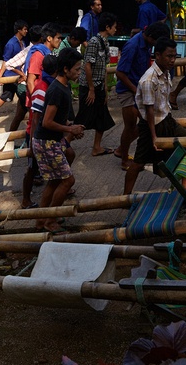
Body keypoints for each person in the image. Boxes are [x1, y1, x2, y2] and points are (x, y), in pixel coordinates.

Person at [123, 38, 186, 195]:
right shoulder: (149, 79)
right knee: (139, 162)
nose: (172, 60)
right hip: (151, 125)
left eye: (175, 56)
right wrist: (154, 137)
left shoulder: (166, 73)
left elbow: (162, 104)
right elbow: (149, 112)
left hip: (166, 119)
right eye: (169, 56)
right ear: (158, 55)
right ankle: (125, 196)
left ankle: (185, 181)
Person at [32, 48, 85, 232]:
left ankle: (41, 220)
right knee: (67, 181)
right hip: (47, 142)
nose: (79, 73)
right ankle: (50, 220)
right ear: (65, 68)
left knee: (54, 181)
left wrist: (70, 125)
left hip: (48, 141)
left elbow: (55, 119)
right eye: (77, 69)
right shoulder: (57, 90)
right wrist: (70, 128)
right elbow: (47, 122)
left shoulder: (63, 87)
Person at [21, 55, 76, 208]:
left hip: (49, 136)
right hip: (37, 135)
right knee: (32, 169)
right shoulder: (43, 89)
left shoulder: (57, 86)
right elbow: (37, 120)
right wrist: (32, 143)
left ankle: (46, 213)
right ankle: (26, 200)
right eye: (77, 69)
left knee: (69, 156)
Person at [114, 22, 169, 169]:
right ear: (151, 37)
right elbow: (120, 73)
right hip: (128, 90)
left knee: (146, 123)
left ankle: (121, 149)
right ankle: (124, 159)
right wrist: (136, 90)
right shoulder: (132, 46)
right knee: (130, 126)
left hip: (139, 87)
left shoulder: (146, 43)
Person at [76, 12, 117, 156]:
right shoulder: (93, 42)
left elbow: (104, 67)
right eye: (114, 27)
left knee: (102, 117)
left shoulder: (105, 42)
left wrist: (104, 88)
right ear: (107, 27)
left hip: (99, 86)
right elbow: (87, 66)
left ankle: (97, 147)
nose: (115, 30)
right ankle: (65, 143)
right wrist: (91, 89)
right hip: (89, 87)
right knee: (83, 118)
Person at [1, 20, 30, 132]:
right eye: (24, 29)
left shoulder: (22, 43)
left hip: (18, 76)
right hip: (12, 76)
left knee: (19, 113)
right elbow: (6, 61)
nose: (26, 31)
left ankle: (10, 135)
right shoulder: (11, 44)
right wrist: (1, 77)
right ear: (19, 30)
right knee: (6, 96)